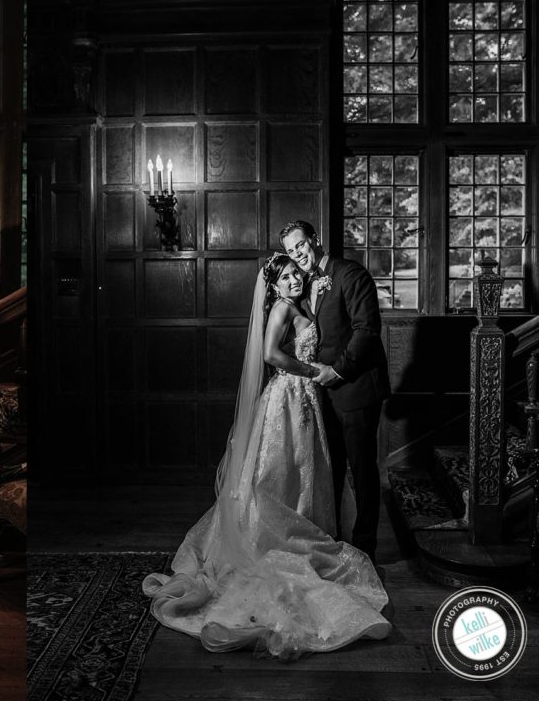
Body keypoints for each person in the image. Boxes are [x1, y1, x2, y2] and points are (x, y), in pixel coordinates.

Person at [142, 253, 390, 660]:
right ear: (274, 285)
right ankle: (276, 531)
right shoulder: (281, 308)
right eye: (287, 276)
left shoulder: (303, 301)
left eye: (297, 273)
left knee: (304, 467)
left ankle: (304, 517)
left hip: (305, 396)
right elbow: (271, 355)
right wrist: (311, 374)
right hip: (290, 396)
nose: (295, 279)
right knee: (277, 470)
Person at [280, 219, 390, 563]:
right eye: (290, 250)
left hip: (356, 390)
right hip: (321, 394)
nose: (298, 254)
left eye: (301, 245)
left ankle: (365, 548)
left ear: (316, 239)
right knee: (332, 469)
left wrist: (338, 370)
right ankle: (338, 539)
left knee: (362, 470)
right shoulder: (303, 281)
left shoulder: (350, 274)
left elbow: (367, 331)